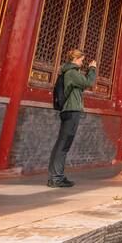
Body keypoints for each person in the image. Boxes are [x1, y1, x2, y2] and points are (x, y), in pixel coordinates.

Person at [48, 48, 96, 188]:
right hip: (71, 110)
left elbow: (82, 83)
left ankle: (56, 176)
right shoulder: (72, 73)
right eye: (81, 60)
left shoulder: (70, 72)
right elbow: (88, 83)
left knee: (62, 144)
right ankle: (56, 178)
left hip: (69, 110)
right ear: (75, 59)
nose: (82, 63)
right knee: (63, 145)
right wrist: (92, 69)